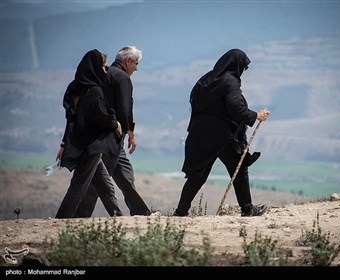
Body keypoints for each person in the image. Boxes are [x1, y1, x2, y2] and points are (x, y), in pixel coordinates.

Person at [174, 48, 270, 217]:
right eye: (244, 68)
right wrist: (255, 115)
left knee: (198, 175)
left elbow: (194, 103)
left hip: (200, 135)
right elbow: (236, 108)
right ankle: (247, 209)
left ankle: (181, 212)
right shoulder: (230, 81)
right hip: (223, 137)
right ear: (237, 65)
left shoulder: (206, 79)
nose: (244, 72)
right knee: (239, 170)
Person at [74, 46, 151, 217]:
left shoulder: (103, 73)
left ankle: (140, 211)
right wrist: (131, 132)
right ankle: (80, 215)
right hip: (113, 134)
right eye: (136, 64)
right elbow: (125, 108)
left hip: (101, 132)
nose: (136, 68)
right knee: (101, 178)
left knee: (125, 173)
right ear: (127, 61)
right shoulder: (122, 77)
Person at [55, 49, 123, 218]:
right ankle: (61, 220)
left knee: (105, 185)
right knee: (78, 185)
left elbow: (70, 120)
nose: (105, 70)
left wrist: (64, 143)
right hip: (91, 145)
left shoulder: (73, 89)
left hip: (78, 143)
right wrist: (115, 122)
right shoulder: (95, 91)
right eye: (103, 66)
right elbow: (102, 116)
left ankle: (118, 217)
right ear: (95, 67)